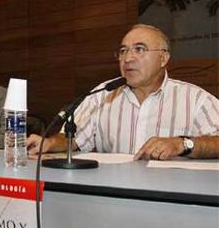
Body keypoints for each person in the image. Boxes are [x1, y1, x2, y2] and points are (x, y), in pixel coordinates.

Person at [28, 24, 219, 160]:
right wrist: (50, 144)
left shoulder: (195, 99)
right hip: (112, 198)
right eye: (123, 51)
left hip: (174, 201)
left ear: (163, 58)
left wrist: (183, 144)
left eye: (139, 49)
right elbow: (73, 139)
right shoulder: (102, 95)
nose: (128, 58)